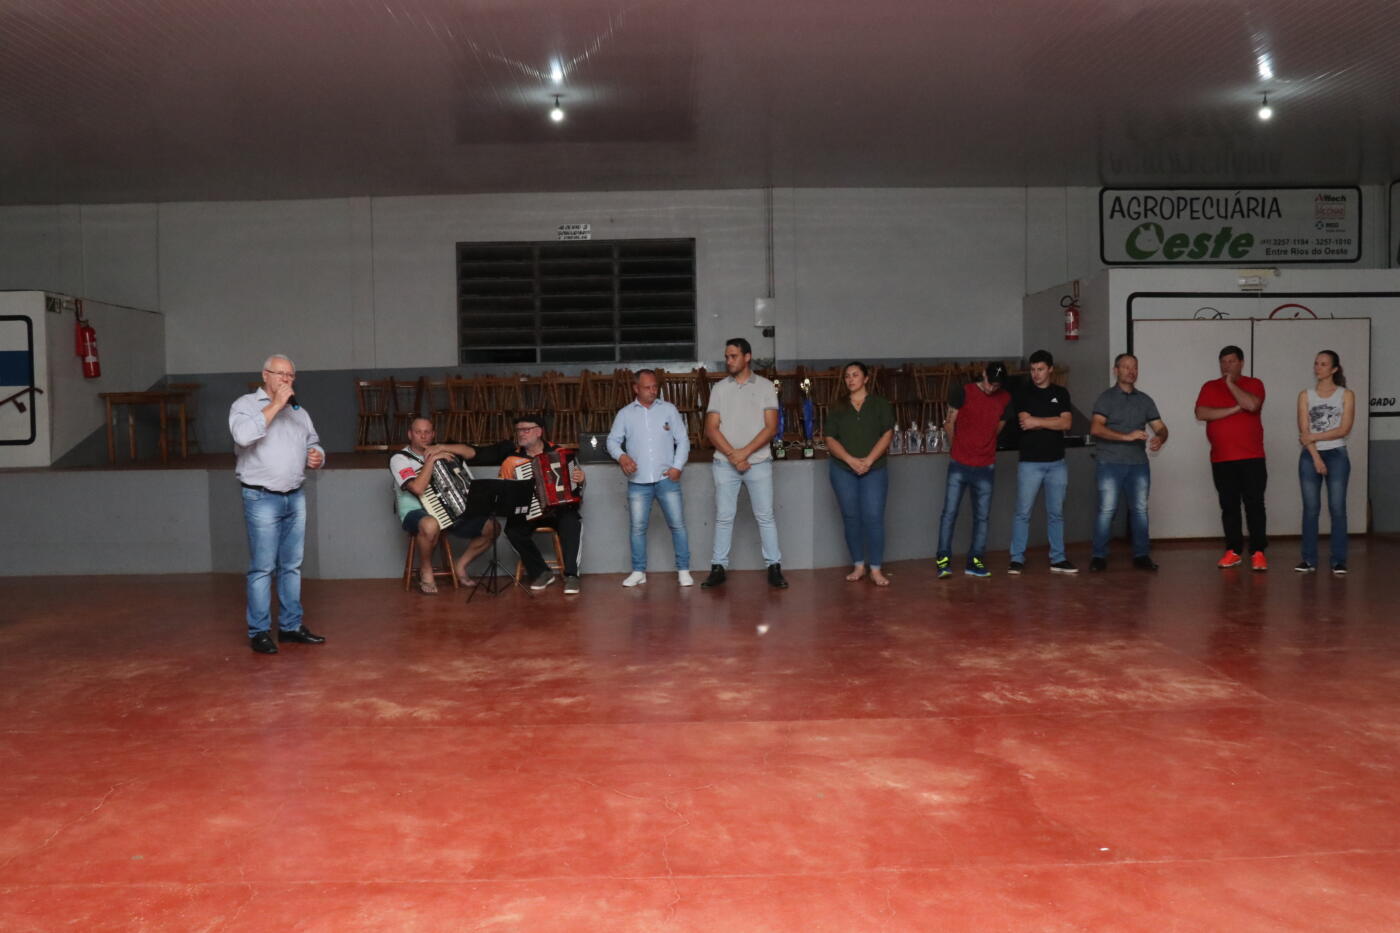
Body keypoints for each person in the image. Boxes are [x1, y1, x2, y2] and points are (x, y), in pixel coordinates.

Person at [228, 355, 327, 655]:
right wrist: (275, 405)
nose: (286, 379)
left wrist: (318, 456)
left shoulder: (299, 412)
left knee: (292, 566)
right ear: (265, 375)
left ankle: (290, 627)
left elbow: (313, 442)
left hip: (295, 495)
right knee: (263, 567)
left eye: (290, 375)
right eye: (280, 373)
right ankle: (259, 631)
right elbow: (243, 437)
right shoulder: (244, 405)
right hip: (261, 497)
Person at [701, 337, 787, 589]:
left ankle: (774, 567)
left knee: (765, 516)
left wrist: (744, 454)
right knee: (724, 517)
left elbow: (771, 428)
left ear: (747, 357)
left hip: (758, 463)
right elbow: (711, 428)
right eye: (727, 357)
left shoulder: (766, 387)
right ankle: (718, 567)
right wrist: (733, 456)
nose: (729, 361)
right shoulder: (719, 389)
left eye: (733, 356)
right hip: (725, 464)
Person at [470, 413, 586, 594]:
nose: (521, 434)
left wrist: (580, 479)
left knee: (571, 522)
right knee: (513, 530)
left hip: (558, 508)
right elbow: (503, 493)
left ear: (539, 432)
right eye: (518, 430)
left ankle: (572, 576)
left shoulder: (559, 452)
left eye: (526, 430)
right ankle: (541, 572)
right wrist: (512, 493)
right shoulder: (511, 461)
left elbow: (578, 487)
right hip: (529, 511)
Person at [390, 417, 501, 594]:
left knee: (492, 527)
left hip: (450, 511)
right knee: (430, 524)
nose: (423, 436)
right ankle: (426, 569)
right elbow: (418, 488)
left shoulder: (441, 450)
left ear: (433, 434)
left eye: (427, 432)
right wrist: (431, 460)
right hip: (415, 511)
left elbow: (469, 452)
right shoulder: (400, 459)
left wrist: (442, 448)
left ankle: (460, 566)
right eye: (418, 432)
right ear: (410, 434)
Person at [606, 369, 693, 587]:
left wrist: (677, 466)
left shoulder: (668, 410)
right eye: (647, 387)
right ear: (636, 388)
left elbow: (683, 440)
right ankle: (638, 571)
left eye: (655, 387)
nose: (653, 391)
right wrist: (621, 456)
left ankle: (683, 570)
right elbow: (612, 441)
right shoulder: (625, 414)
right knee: (637, 529)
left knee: (678, 525)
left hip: (667, 479)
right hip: (638, 482)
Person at [1088, 353, 1169, 572]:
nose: (1131, 371)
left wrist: (1160, 438)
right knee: (1107, 510)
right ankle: (1098, 556)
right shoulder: (1106, 398)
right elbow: (1096, 428)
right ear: (1116, 370)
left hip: (1138, 464)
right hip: (1109, 462)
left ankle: (1141, 555)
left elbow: (1161, 427)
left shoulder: (1145, 400)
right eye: (1126, 367)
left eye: (1134, 367)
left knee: (1140, 510)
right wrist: (1126, 437)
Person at [1194, 345, 1267, 571]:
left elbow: (1252, 405)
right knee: (1229, 506)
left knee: (1254, 505)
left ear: (1241, 363)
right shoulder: (1209, 386)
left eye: (1232, 361)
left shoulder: (1254, 384)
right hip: (1222, 459)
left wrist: (1230, 385)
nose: (1227, 366)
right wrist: (1234, 409)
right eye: (1223, 362)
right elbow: (1201, 413)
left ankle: (1258, 552)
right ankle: (1233, 551)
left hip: (1252, 457)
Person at [935, 361, 1010, 579]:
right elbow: (949, 423)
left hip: (985, 465)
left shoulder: (1005, 398)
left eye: (996, 385)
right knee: (949, 514)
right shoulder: (963, 392)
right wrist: (956, 447)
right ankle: (943, 560)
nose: (991, 388)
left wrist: (984, 443)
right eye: (989, 382)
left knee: (982, 517)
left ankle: (975, 561)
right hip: (959, 463)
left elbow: (999, 426)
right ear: (983, 374)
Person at [824, 362, 896, 585]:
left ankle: (875, 568)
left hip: (874, 468)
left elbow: (887, 434)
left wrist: (869, 460)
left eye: (855, 375)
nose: (850, 379)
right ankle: (858, 565)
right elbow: (829, 438)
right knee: (851, 517)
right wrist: (850, 460)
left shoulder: (880, 404)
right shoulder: (837, 406)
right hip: (843, 469)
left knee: (874, 517)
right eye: (847, 376)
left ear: (866, 378)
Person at [1008, 349, 1076, 574]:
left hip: (1057, 462)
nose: (1036, 374)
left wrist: (1037, 421)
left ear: (1050, 370)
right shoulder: (1023, 393)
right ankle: (1017, 558)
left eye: (1040, 369)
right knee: (1023, 512)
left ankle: (1058, 558)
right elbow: (1025, 422)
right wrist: (1051, 421)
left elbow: (1066, 424)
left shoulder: (1061, 393)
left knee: (1056, 513)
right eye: (1033, 370)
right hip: (1030, 463)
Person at [1296, 350, 1355, 575]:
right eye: (1316, 363)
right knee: (1311, 509)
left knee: (1337, 508)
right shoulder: (1305, 395)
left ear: (1334, 369)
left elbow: (1344, 429)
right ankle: (1308, 559)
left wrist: (1315, 437)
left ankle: (1338, 560)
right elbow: (1304, 432)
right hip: (1310, 456)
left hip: (1337, 454)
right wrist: (1316, 456)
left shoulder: (1346, 394)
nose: (1318, 367)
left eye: (1323, 364)